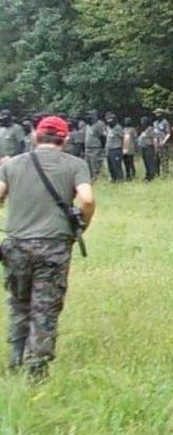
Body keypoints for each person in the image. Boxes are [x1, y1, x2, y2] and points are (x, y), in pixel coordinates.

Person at [0, 116, 95, 380]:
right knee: (45, 306)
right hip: (53, 246)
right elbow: (86, 199)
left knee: (19, 301)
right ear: (64, 139)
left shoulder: (12, 164)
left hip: (16, 244)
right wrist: (82, 226)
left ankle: (16, 357)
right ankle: (36, 369)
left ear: (35, 137)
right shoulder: (75, 165)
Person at [83, 111, 106, 181]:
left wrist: (102, 148)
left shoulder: (99, 124)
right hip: (87, 148)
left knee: (95, 166)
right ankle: (91, 179)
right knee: (87, 165)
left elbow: (103, 137)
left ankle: (98, 179)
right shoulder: (87, 126)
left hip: (95, 148)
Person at [104, 113, 125, 183]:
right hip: (109, 149)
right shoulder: (108, 128)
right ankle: (113, 178)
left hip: (116, 149)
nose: (109, 122)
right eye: (108, 120)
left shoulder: (118, 127)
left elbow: (123, 138)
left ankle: (120, 179)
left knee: (117, 165)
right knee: (110, 166)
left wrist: (123, 148)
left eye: (111, 120)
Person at [137, 117, 158, 182]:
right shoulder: (144, 130)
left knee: (150, 162)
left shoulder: (150, 129)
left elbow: (154, 138)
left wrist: (156, 147)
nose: (142, 122)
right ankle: (147, 175)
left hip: (149, 148)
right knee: (146, 162)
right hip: (143, 148)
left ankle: (152, 176)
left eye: (144, 121)